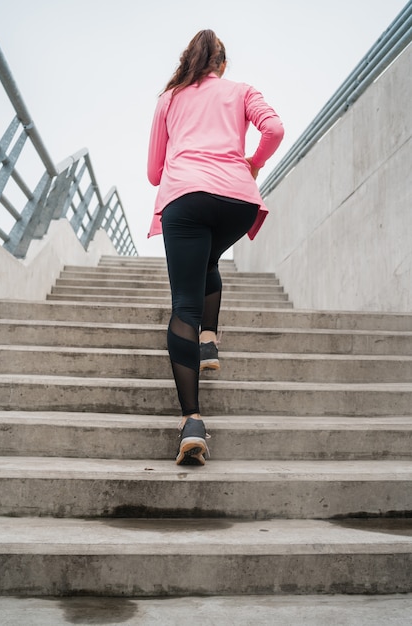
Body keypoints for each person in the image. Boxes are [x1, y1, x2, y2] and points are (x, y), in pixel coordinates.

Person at [147, 29, 284, 466]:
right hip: (237, 201)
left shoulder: (169, 99)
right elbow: (275, 129)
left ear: (189, 61)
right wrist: (252, 163)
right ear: (221, 64)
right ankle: (208, 342)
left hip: (186, 197)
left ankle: (192, 422)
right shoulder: (242, 90)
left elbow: (154, 172)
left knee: (184, 303)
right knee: (208, 257)